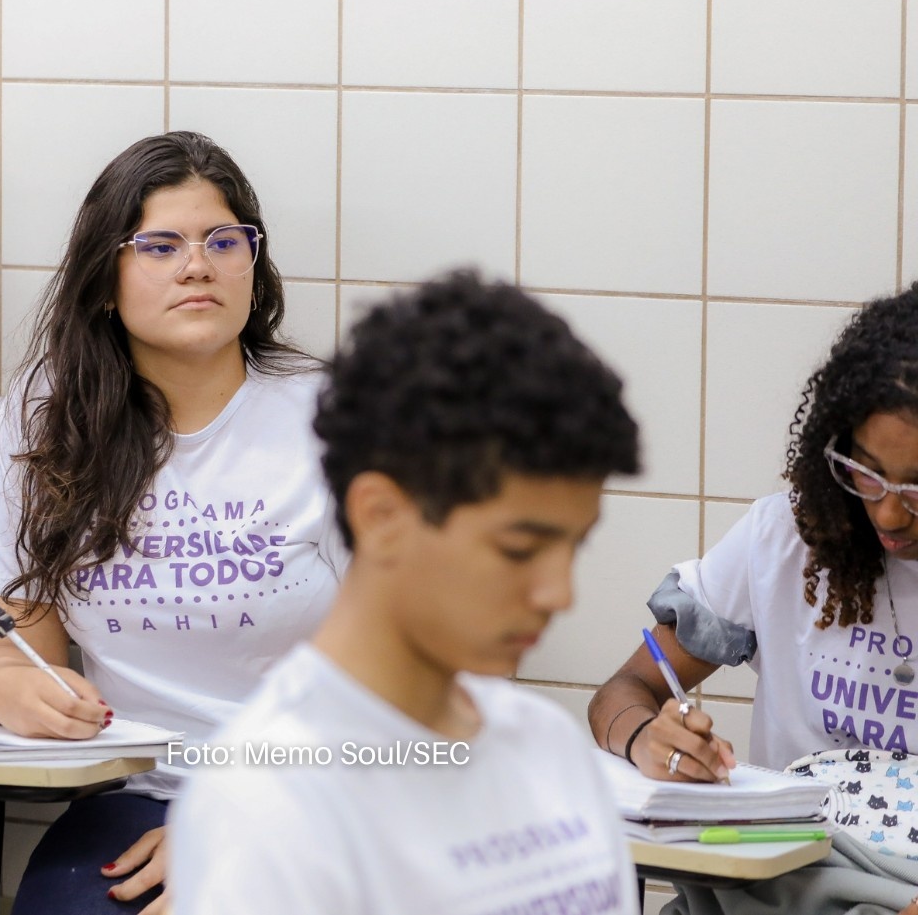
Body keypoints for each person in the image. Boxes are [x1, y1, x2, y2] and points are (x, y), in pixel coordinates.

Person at [169, 270, 643, 914]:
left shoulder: (549, 749)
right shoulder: (272, 799)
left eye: (574, 545)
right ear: (381, 516)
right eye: (518, 550)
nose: (558, 593)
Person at [0, 131, 345, 914]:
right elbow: (8, 628)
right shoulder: (47, 418)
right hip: (130, 796)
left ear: (254, 264)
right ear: (105, 279)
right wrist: (11, 684)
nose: (197, 265)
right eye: (160, 244)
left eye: (223, 241)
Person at [588, 284, 918, 915]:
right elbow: (622, 693)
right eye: (866, 473)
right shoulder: (787, 540)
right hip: (786, 879)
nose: (889, 513)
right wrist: (646, 741)